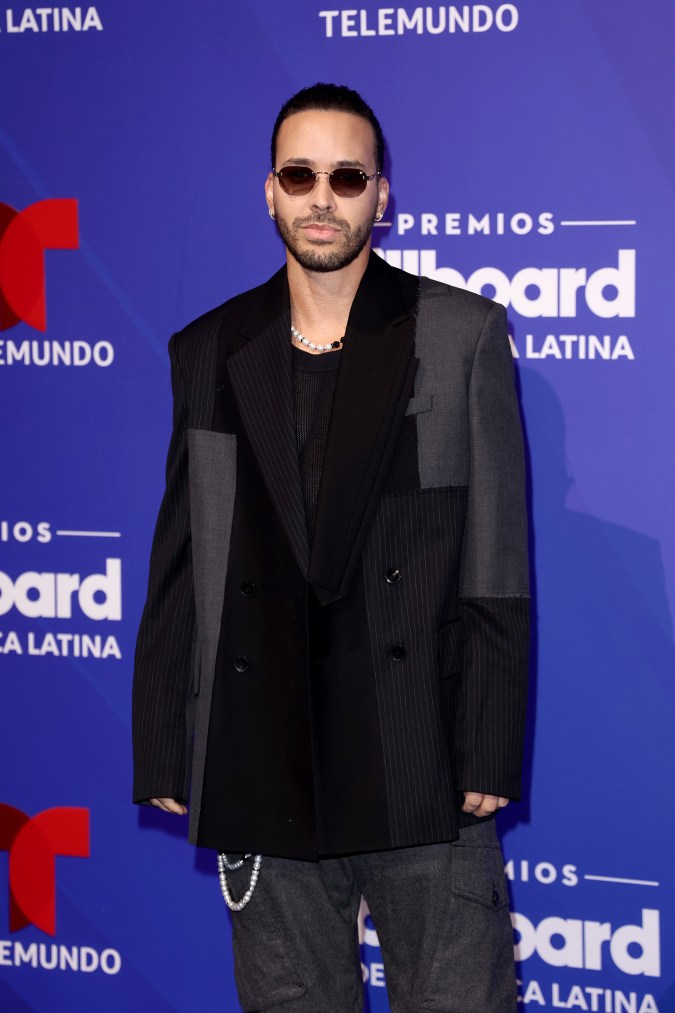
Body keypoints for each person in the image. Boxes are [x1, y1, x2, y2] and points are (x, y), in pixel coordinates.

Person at [132, 82, 530, 1012]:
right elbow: (183, 556)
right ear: (267, 191)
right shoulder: (210, 348)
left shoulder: (457, 333)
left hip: (418, 753)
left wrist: (487, 749)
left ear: (380, 196)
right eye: (299, 174)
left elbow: (496, 562)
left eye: (346, 176)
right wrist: (164, 745)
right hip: (263, 756)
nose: (322, 196)